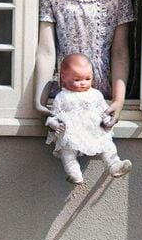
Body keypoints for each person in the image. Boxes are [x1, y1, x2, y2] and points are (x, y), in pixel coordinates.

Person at [34, 0, 134, 175]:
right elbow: (45, 49)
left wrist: (119, 100)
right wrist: (39, 99)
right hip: (65, 95)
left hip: (99, 99)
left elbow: (120, 52)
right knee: (69, 146)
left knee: (105, 146)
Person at [45, 54, 131, 184]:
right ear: (64, 77)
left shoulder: (96, 94)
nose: (83, 83)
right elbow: (53, 116)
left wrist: (107, 120)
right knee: (67, 150)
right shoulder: (62, 97)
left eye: (87, 78)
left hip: (94, 129)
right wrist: (55, 125)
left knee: (107, 144)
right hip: (72, 131)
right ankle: (73, 172)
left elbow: (105, 110)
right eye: (77, 79)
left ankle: (114, 164)